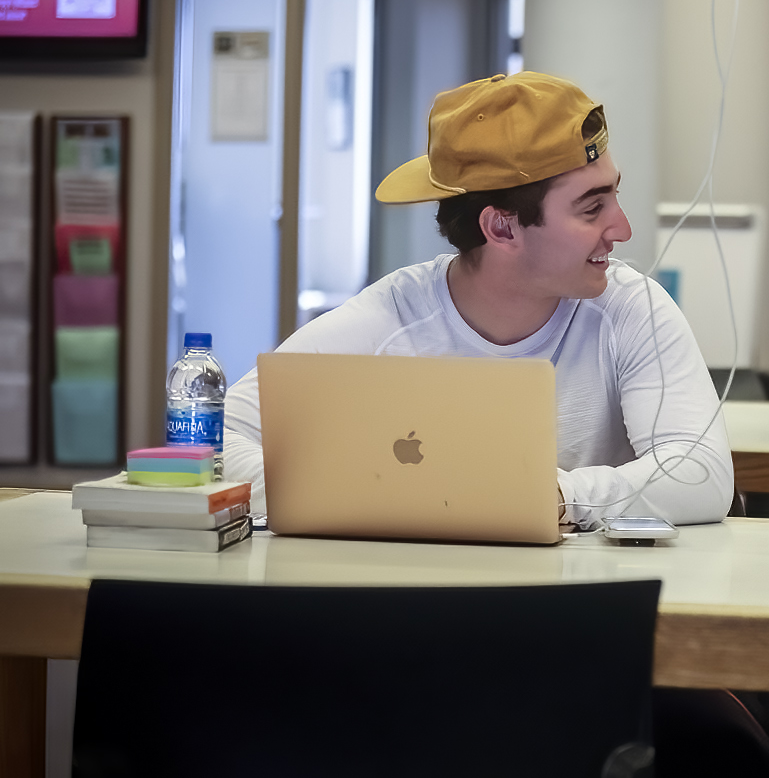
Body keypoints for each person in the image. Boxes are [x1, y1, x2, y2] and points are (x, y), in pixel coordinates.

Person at [223, 72, 732, 528]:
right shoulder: (389, 317)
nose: (622, 229)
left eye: (613, 196)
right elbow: (214, 438)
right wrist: (372, 497)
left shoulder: (631, 309)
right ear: (502, 228)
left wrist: (556, 497)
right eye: (591, 208)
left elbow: (700, 474)